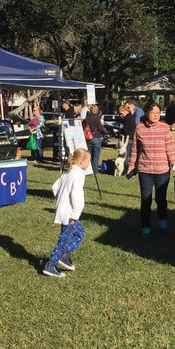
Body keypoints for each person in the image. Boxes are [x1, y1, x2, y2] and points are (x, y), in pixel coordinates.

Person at [126, 100, 175, 237]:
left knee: (161, 199)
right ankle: (145, 227)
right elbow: (135, 150)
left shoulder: (165, 128)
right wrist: (131, 167)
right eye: (153, 112)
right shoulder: (139, 129)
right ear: (146, 113)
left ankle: (163, 223)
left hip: (162, 170)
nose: (156, 115)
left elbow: (170, 148)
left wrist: (174, 163)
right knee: (146, 200)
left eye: (158, 112)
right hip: (145, 171)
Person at [42, 148, 90, 277]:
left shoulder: (68, 172)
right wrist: (75, 214)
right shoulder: (78, 175)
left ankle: (64, 255)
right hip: (69, 214)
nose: (89, 164)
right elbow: (77, 196)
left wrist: (61, 200)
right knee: (63, 240)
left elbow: (55, 187)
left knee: (79, 233)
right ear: (81, 162)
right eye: (88, 161)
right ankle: (50, 265)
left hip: (63, 211)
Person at [82, 103, 105, 170]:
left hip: (88, 137)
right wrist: (102, 125)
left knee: (89, 155)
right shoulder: (97, 118)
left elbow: (83, 125)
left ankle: (89, 169)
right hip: (96, 137)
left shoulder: (86, 117)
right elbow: (100, 129)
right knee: (96, 156)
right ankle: (95, 170)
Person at [119, 102, 138, 171]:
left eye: (121, 113)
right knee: (131, 154)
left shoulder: (127, 118)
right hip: (132, 137)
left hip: (128, 138)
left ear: (124, 111)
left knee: (126, 154)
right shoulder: (131, 116)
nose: (121, 115)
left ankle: (126, 168)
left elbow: (126, 129)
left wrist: (121, 131)